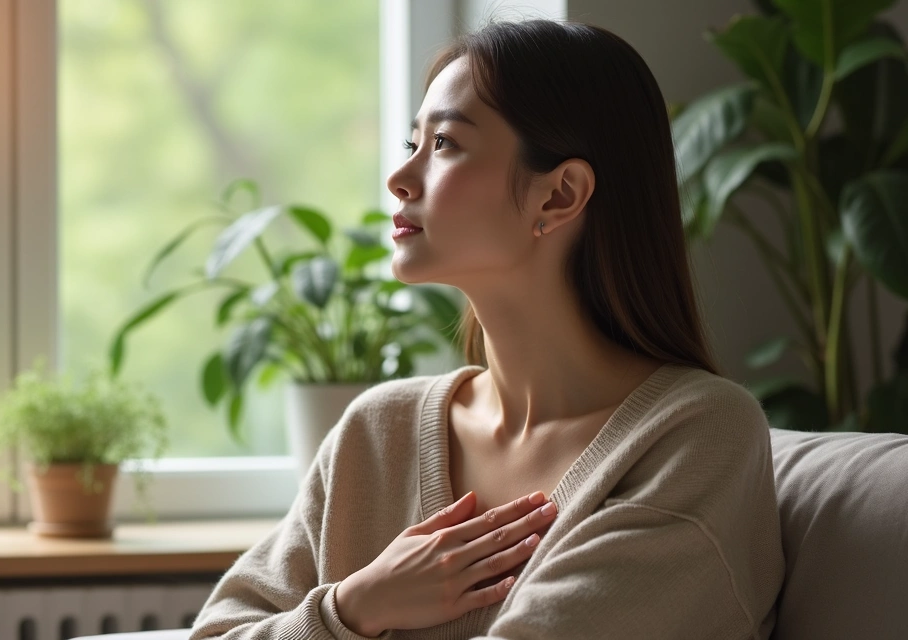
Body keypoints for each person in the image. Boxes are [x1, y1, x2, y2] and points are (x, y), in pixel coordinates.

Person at [190, 19, 784, 639]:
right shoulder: (378, 431)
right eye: (411, 144)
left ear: (559, 196)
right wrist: (353, 608)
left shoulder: (695, 437)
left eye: (444, 144)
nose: (400, 178)